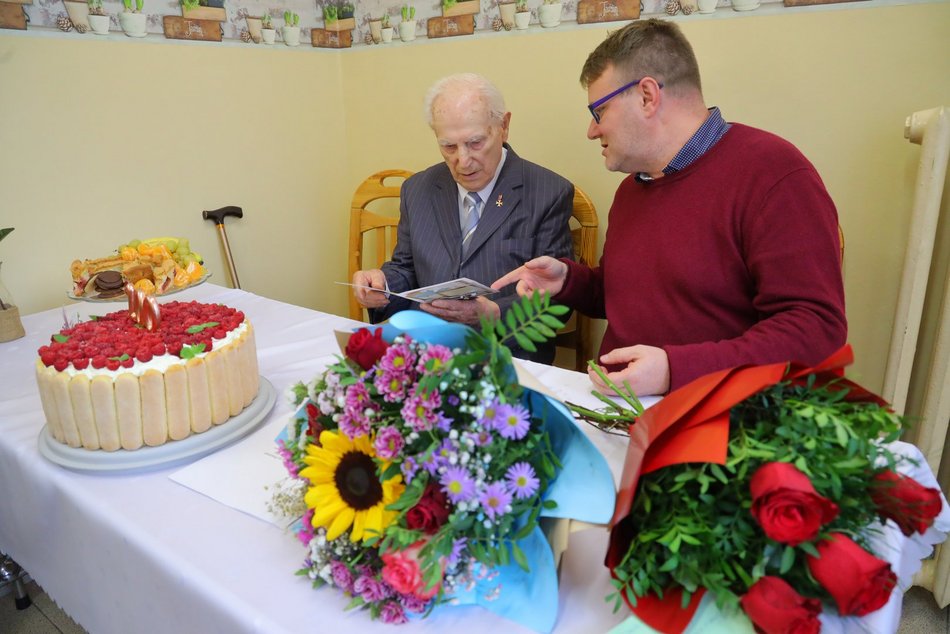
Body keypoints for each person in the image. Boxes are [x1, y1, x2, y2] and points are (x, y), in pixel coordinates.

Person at [493, 19, 847, 395]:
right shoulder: (633, 188)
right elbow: (627, 295)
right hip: (616, 407)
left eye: (599, 111)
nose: (592, 130)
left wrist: (675, 370)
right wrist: (568, 281)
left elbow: (815, 330)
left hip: (716, 415)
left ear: (647, 96)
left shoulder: (772, 173)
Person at [352, 73, 575, 364]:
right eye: (448, 147)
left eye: (475, 143)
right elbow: (406, 269)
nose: (463, 160)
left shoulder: (548, 192)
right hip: (428, 355)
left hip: (508, 359)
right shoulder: (418, 189)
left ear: (504, 127)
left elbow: (556, 302)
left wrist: (492, 314)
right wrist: (382, 284)